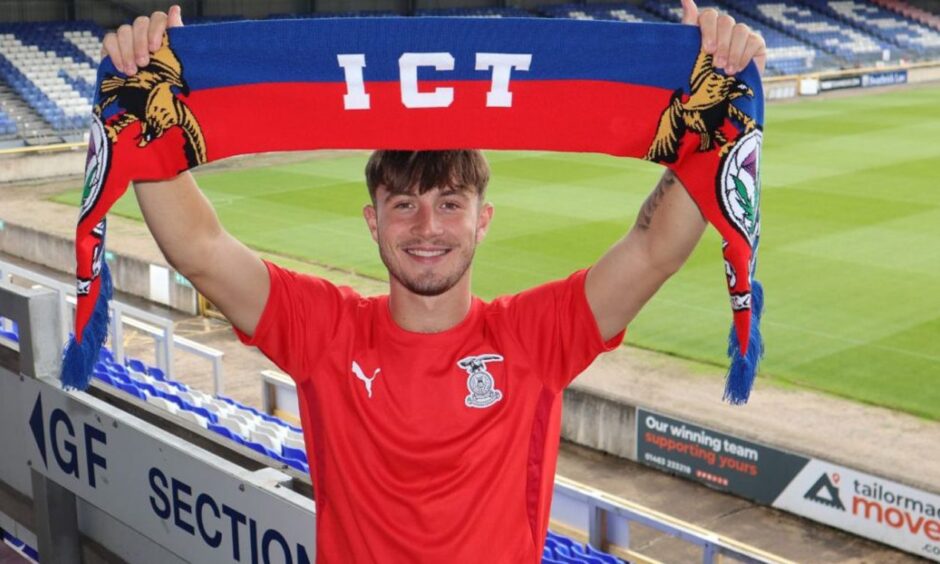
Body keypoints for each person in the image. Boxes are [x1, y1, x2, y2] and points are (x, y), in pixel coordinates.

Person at [103, 2, 765, 561]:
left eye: (450, 203)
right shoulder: (325, 330)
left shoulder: (533, 336)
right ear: (373, 221)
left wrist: (713, 103)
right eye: (404, 205)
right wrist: (141, 103)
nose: (427, 227)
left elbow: (654, 250)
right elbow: (199, 249)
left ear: (483, 221)